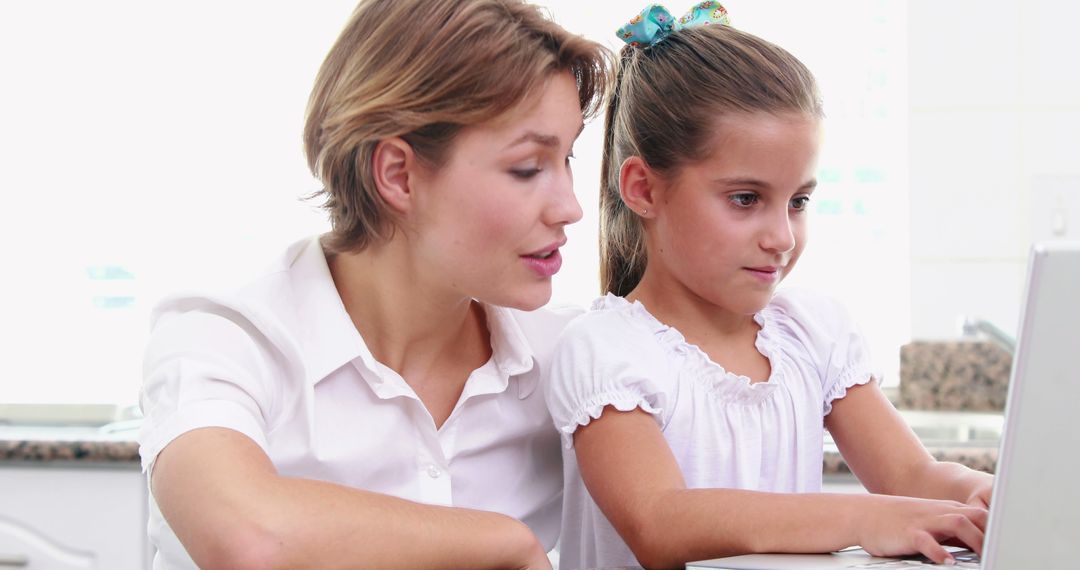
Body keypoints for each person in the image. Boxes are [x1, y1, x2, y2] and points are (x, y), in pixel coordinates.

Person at [137, 1, 610, 568]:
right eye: (528, 167)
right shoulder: (226, 340)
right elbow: (248, 536)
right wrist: (503, 542)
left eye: (569, 158)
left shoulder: (568, 358)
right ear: (397, 175)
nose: (571, 207)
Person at [544, 3, 994, 569]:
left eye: (798, 201)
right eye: (745, 199)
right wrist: (861, 517)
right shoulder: (606, 350)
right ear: (643, 189)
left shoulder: (810, 333)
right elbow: (659, 522)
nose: (782, 237)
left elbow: (912, 475)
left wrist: (981, 493)